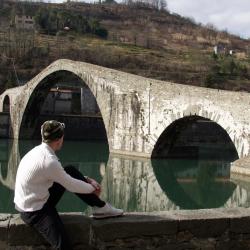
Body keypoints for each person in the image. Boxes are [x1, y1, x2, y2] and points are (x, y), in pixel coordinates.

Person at [14, 120, 123, 250]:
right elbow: (71, 184)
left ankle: (101, 208)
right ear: (59, 139)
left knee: (70, 170)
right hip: (35, 211)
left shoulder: (38, 152)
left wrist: (87, 180)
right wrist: (93, 188)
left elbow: (64, 177)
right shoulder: (48, 161)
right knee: (63, 246)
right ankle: (101, 207)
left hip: (34, 200)